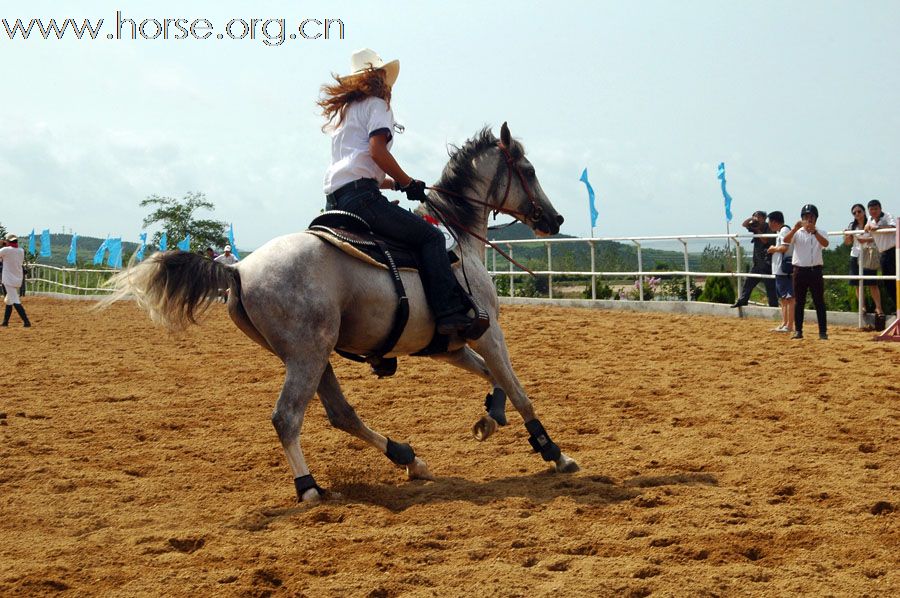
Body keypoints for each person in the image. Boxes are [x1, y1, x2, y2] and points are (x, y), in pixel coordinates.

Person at [317, 48, 474, 335]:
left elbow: (357, 167)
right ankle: (449, 314)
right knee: (430, 237)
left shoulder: (343, 112)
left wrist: (395, 183)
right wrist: (408, 180)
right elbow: (376, 152)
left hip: (336, 202)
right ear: (379, 78)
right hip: (362, 200)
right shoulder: (377, 105)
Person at [784, 204, 828, 340]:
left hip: (815, 270)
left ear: (816, 218)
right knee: (799, 302)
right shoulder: (797, 232)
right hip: (799, 271)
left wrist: (815, 232)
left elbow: (825, 244)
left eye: (811, 216)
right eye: (806, 216)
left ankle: (822, 332)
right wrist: (794, 229)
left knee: (819, 301)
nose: (809, 219)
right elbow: (785, 241)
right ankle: (798, 331)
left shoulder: (821, 231)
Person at [731, 210, 778, 308]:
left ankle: (773, 308)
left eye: (758, 216)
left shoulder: (768, 227)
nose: (756, 218)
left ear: (764, 218)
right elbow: (744, 224)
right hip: (757, 262)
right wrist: (751, 220)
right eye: (754, 216)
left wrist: (757, 230)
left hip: (767, 262)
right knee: (749, 283)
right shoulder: (754, 225)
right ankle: (743, 300)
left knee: (770, 288)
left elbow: (766, 240)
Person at [843, 203, 883, 316]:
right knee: (857, 284)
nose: (857, 214)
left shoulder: (870, 223)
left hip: (868, 255)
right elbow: (848, 243)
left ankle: (879, 308)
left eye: (859, 211)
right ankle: (862, 307)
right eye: (854, 213)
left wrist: (865, 240)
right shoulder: (852, 225)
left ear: (864, 211)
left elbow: (877, 237)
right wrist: (847, 235)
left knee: (872, 283)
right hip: (855, 255)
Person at [864, 199, 897, 311]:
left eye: (876, 209)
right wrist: (867, 226)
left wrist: (878, 228)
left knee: (897, 280)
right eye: (871, 209)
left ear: (880, 209)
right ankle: (898, 308)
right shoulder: (870, 219)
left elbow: (894, 228)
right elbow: (867, 228)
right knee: (888, 284)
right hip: (882, 253)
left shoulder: (887, 216)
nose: (873, 211)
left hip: (894, 252)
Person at [766, 211, 794, 333]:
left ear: (774, 221)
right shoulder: (781, 231)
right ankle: (784, 323)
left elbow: (785, 247)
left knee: (789, 298)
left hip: (784, 270)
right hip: (780, 270)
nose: (769, 225)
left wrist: (773, 249)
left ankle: (789, 325)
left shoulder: (784, 231)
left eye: (769, 222)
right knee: (783, 298)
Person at [0, 233, 31, 327]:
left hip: (8, 279)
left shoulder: (5, 250)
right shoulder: (21, 250)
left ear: (8, 241)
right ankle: (5, 322)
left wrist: (2, 244)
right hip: (18, 278)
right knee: (9, 301)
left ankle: (26, 322)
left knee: (15, 301)